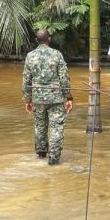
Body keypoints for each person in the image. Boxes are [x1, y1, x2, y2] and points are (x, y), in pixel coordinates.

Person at [22, 30, 74, 165]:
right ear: (49, 39)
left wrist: (28, 100)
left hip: (38, 98)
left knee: (40, 126)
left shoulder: (30, 56)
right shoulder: (57, 54)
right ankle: (54, 159)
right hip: (56, 99)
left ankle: (41, 154)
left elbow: (26, 80)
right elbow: (64, 78)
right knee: (56, 127)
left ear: (36, 40)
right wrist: (68, 97)